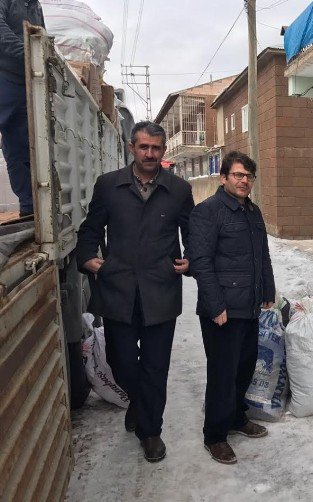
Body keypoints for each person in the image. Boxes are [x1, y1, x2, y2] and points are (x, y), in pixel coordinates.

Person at [76, 121, 194, 463]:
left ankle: (151, 430)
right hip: (118, 289)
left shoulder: (178, 189)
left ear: (163, 151)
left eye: (156, 148)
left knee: (156, 366)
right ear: (132, 148)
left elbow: (192, 233)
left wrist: (192, 261)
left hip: (161, 290)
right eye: (144, 147)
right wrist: (91, 261)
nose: (150, 154)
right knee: (121, 361)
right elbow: (90, 231)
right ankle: (140, 405)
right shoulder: (109, 185)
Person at [189, 151, 276, 465]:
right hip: (222, 309)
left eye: (249, 176)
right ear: (223, 177)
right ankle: (214, 434)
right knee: (222, 373)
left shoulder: (252, 212)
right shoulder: (207, 212)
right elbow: (200, 262)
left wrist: (267, 289)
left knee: (244, 366)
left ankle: (237, 416)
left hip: (249, 305)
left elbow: (261, 255)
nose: (244, 181)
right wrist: (215, 305)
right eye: (238, 175)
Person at [0, 0, 44, 217]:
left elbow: (41, 38)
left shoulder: (35, 6)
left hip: (28, 82)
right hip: (5, 76)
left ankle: (29, 210)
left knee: (22, 148)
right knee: (14, 145)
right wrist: (28, 52)